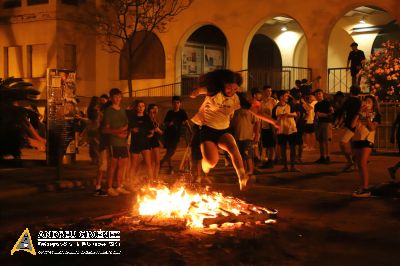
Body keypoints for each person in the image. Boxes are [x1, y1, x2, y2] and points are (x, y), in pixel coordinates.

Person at [190, 69, 278, 191]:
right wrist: (196, 92)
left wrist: (273, 121)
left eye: (235, 89)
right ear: (223, 86)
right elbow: (201, 90)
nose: (232, 92)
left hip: (223, 130)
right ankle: (205, 166)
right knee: (212, 162)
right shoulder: (214, 91)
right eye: (229, 89)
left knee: (232, 146)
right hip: (206, 129)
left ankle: (242, 177)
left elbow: (256, 112)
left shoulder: (237, 99)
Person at [102, 88, 130, 196]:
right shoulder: (109, 111)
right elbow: (105, 129)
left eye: (119, 96)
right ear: (111, 98)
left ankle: (119, 186)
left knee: (122, 165)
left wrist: (125, 133)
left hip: (123, 142)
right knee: (113, 165)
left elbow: (126, 125)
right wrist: (118, 132)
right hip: (114, 142)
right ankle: (109, 187)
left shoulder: (123, 110)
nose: (118, 99)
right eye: (115, 96)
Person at [351, 95, 381, 197]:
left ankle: (365, 189)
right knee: (359, 163)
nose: (366, 103)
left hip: (367, 140)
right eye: (365, 101)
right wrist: (359, 113)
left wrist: (368, 116)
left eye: (369, 102)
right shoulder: (359, 113)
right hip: (357, 139)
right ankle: (362, 185)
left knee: (363, 163)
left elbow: (372, 127)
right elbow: (352, 125)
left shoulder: (376, 114)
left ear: (373, 104)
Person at [160, 96, 190, 174]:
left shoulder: (182, 112)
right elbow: (165, 123)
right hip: (168, 134)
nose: (176, 104)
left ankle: (161, 162)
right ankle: (169, 167)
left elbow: (186, 122)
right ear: (172, 104)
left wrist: (190, 131)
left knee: (171, 151)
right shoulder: (169, 112)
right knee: (169, 151)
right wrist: (169, 123)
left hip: (176, 134)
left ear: (180, 104)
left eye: (178, 103)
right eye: (174, 103)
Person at [128, 100, 155, 185]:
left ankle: (151, 182)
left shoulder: (146, 117)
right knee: (133, 164)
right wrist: (132, 129)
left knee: (148, 164)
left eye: (142, 106)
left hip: (145, 142)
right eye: (139, 106)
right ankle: (131, 182)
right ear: (136, 107)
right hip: (135, 142)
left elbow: (151, 128)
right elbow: (130, 127)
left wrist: (152, 133)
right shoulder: (132, 117)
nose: (141, 108)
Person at [272, 90, 300, 172]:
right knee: (283, 149)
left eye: (287, 96)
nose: (287, 97)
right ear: (281, 97)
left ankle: (293, 166)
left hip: (291, 129)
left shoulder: (290, 105)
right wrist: (275, 130)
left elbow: (296, 114)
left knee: (293, 148)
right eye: (286, 96)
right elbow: (273, 120)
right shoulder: (275, 108)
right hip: (281, 131)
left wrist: (288, 115)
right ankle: (285, 166)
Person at [339, 86, 362, 172]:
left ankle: (349, 161)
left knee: (343, 143)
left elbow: (343, 112)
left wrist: (340, 122)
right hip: (358, 124)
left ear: (350, 91)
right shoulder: (360, 101)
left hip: (350, 125)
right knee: (353, 145)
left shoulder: (348, 101)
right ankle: (355, 165)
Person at [314, 89, 334, 164]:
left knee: (326, 140)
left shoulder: (327, 103)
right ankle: (322, 156)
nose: (318, 95)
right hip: (319, 123)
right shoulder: (316, 105)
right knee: (321, 141)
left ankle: (328, 157)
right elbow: (316, 114)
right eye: (316, 94)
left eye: (319, 93)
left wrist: (324, 115)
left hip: (326, 123)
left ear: (322, 94)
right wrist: (315, 120)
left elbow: (332, 112)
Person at [259, 85, 278, 168]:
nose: (269, 93)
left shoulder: (273, 101)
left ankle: (272, 160)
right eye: (267, 91)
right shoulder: (261, 102)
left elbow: (276, 114)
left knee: (272, 145)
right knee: (266, 144)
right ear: (263, 92)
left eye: (270, 91)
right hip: (264, 125)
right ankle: (267, 160)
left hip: (271, 125)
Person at [147, 104, 163, 179]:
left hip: (155, 140)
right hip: (148, 140)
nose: (156, 110)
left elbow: (159, 131)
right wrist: (154, 130)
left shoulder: (156, 119)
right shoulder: (147, 118)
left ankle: (155, 177)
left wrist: (158, 131)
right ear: (150, 110)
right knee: (151, 161)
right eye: (154, 109)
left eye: (157, 108)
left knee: (157, 161)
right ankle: (151, 178)